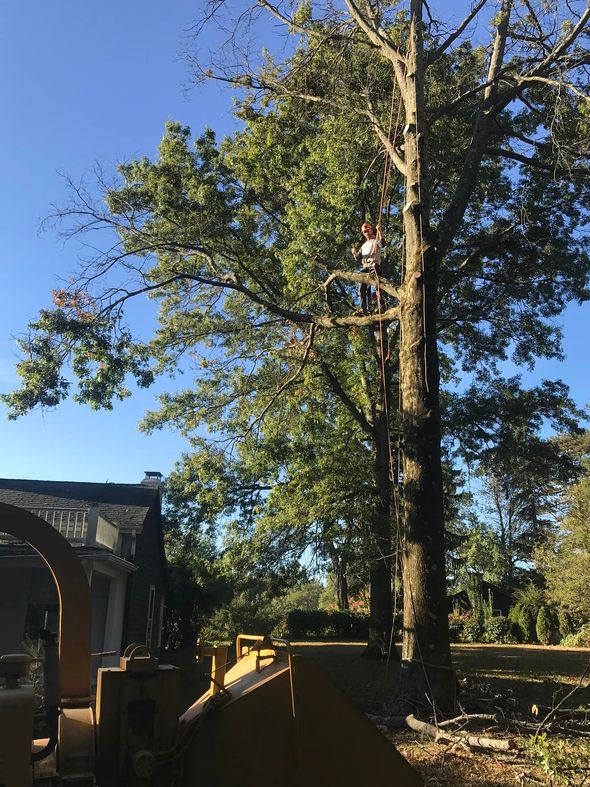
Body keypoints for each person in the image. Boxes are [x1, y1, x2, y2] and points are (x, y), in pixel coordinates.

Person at [351, 222, 383, 313]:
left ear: (371, 230)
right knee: (361, 289)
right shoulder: (364, 246)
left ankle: (379, 306)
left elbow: (383, 244)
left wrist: (380, 232)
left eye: (367, 230)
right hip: (365, 267)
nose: (366, 233)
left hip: (374, 266)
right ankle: (363, 309)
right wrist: (354, 253)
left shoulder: (376, 240)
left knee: (375, 287)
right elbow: (358, 257)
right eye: (364, 232)